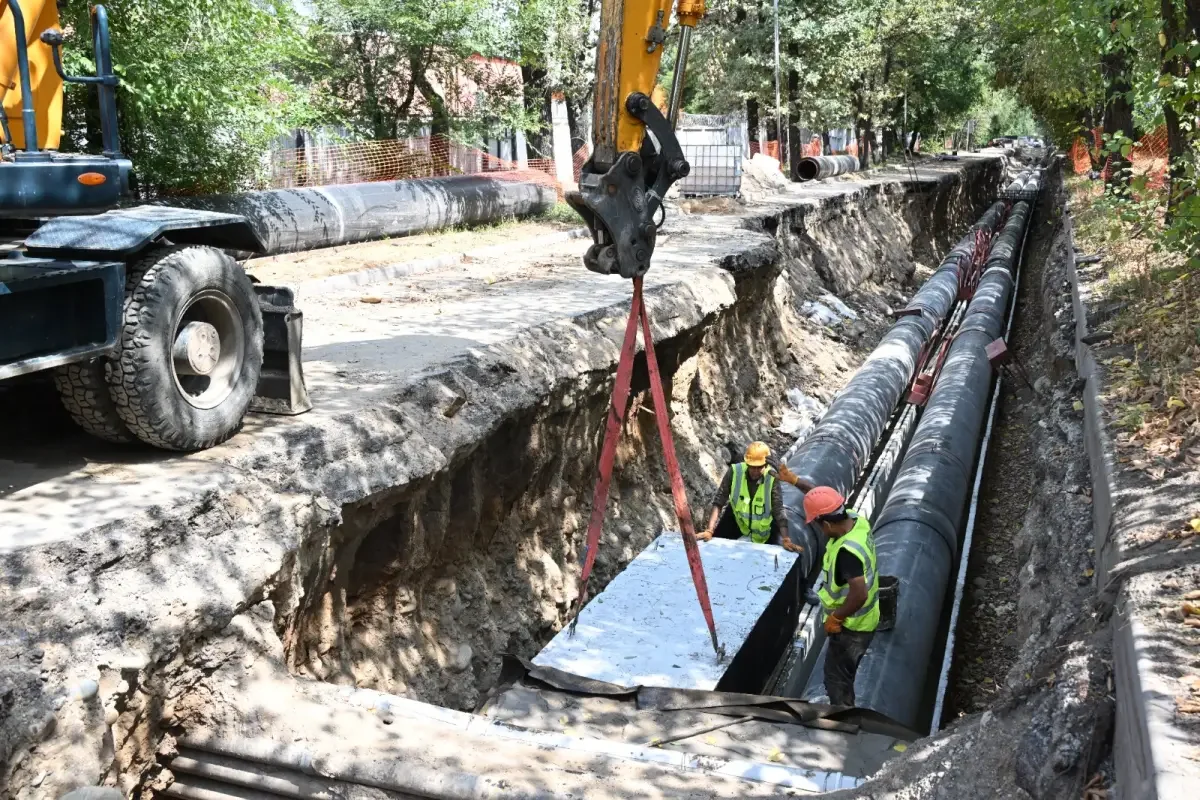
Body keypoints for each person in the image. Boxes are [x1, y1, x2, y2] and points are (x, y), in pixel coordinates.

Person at [806, 485, 879, 707]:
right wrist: (796, 481)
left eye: (819, 526)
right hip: (866, 618)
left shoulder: (847, 553)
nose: (821, 531)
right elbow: (826, 502)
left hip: (852, 627)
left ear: (827, 524)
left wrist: (836, 617)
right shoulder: (856, 522)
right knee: (841, 674)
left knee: (837, 678)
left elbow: (859, 594)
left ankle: (843, 718)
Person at [697, 441, 812, 552]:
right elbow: (719, 501)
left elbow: (778, 510)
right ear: (747, 463)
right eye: (752, 467)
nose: (755, 471)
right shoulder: (734, 472)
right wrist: (709, 529)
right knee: (716, 547)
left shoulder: (771, 478)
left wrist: (786, 539)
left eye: (760, 467)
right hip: (737, 521)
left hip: (764, 531)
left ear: (766, 465)